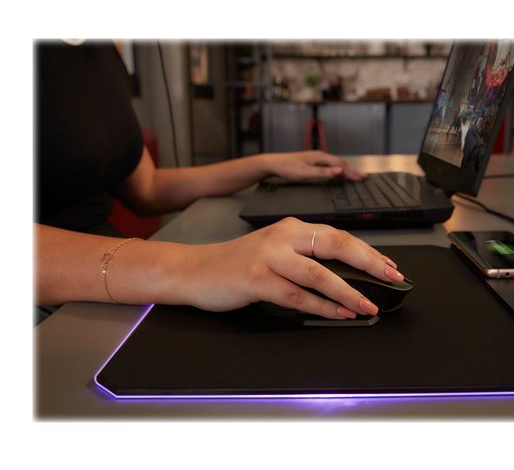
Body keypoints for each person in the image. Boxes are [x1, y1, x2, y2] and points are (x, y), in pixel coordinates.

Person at [35, 40, 405, 321]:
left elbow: (147, 188)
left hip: (118, 278)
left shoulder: (100, 50)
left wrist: (266, 164)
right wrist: (195, 265)